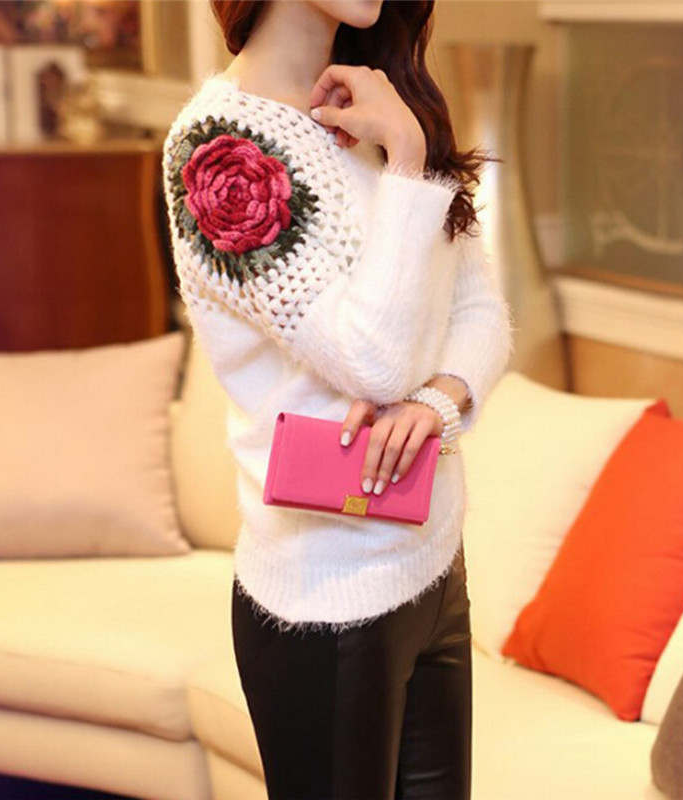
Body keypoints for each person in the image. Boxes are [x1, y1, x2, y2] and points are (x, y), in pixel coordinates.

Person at [162, 1, 515, 797]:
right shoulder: (218, 153)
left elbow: (481, 310)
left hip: (435, 568)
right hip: (325, 600)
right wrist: (408, 160)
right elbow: (373, 361)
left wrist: (440, 401)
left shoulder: (385, 99)